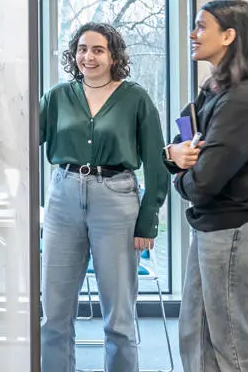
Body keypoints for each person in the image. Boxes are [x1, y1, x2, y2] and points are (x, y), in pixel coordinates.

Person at [164, 0, 248, 372]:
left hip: (240, 227)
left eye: (202, 27)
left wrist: (180, 172)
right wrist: (174, 154)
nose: (192, 34)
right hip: (216, 226)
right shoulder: (215, 89)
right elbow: (181, 147)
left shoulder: (243, 100)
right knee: (197, 339)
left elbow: (203, 183)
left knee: (237, 349)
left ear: (229, 35)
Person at [40, 23, 172, 372]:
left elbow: (157, 164)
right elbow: (25, 136)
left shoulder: (135, 98)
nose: (88, 56)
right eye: (82, 49)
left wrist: (149, 219)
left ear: (114, 56)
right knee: (54, 314)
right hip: (63, 197)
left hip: (117, 200)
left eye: (98, 50)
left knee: (119, 317)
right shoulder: (57, 96)